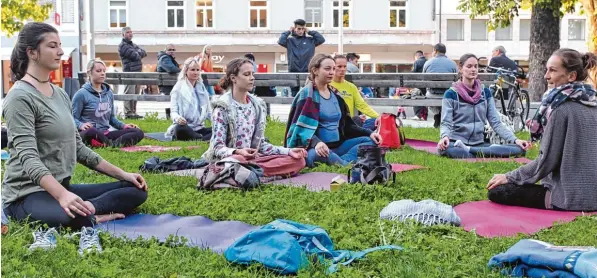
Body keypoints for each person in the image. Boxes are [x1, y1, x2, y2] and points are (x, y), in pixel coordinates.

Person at [2, 22, 148, 252]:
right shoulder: (19, 97)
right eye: (52, 46)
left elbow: (79, 149)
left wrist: (124, 174)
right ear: (32, 52)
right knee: (68, 213)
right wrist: (63, 197)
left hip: (62, 187)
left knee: (135, 189)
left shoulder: (59, 94)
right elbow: (29, 158)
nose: (60, 51)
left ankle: (86, 212)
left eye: (60, 46)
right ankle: (88, 216)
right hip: (26, 195)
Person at [487, 49, 597, 211]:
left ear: (571, 76)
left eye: (552, 70)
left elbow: (546, 162)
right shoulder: (593, 102)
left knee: (497, 191)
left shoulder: (559, 109)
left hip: (572, 198)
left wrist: (509, 177)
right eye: (547, 69)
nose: (546, 76)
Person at [202, 58, 306, 177]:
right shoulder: (222, 107)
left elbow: (261, 145)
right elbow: (217, 148)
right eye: (246, 74)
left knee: (298, 160)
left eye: (252, 74)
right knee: (238, 160)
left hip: (254, 160)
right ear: (233, 78)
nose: (252, 78)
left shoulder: (256, 106)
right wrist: (237, 151)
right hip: (231, 159)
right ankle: (248, 172)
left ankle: (249, 173)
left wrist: (288, 151)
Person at [285, 54, 383, 168]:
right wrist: (316, 143)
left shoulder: (336, 95)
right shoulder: (307, 95)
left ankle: (339, 161)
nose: (332, 72)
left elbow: (347, 125)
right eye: (327, 69)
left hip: (339, 146)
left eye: (333, 69)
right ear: (315, 70)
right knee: (312, 156)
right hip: (317, 149)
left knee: (369, 142)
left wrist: (370, 133)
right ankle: (346, 165)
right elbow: (299, 129)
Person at [437, 53, 530, 159]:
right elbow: (446, 123)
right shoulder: (450, 94)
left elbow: (496, 123)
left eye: (475, 66)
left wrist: (516, 140)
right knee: (446, 149)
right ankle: (477, 152)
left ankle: (470, 151)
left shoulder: (485, 93)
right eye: (469, 66)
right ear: (460, 68)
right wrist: (444, 137)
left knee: (520, 149)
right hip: (456, 142)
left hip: (479, 143)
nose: (473, 69)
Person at [73, 59, 145, 148]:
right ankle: (111, 144)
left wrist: (124, 126)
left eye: (104, 71)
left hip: (105, 134)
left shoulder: (109, 93)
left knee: (138, 132)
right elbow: (72, 118)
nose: (102, 73)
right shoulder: (81, 94)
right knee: (91, 131)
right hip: (89, 134)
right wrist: (81, 125)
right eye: (98, 71)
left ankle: (108, 144)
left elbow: (111, 118)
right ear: (89, 73)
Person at [165, 57, 212, 141]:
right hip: (185, 127)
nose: (196, 72)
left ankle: (199, 137)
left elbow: (208, 112)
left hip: (199, 128)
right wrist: (178, 118)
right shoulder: (178, 88)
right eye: (192, 70)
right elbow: (173, 112)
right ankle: (202, 138)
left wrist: (218, 123)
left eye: (198, 70)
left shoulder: (202, 88)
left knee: (222, 130)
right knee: (180, 129)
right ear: (186, 71)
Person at [330, 54, 379, 131]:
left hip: (350, 124)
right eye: (339, 66)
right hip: (334, 125)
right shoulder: (327, 85)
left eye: (344, 66)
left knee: (375, 122)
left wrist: (379, 117)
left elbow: (362, 105)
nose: (342, 69)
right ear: (333, 67)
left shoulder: (351, 87)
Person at [278, 19, 325, 97]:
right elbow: (281, 41)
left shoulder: (310, 40)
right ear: (294, 29)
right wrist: (289, 31)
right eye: (299, 28)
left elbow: (321, 39)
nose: (301, 31)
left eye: (303, 29)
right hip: (293, 72)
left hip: (308, 72)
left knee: (308, 95)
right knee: (294, 96)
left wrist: (310, 31)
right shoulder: (290, 41)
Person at [423, 43, 458, 128]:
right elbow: (457, 80)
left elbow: (423, 80)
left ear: (435, 51)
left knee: (428, 94)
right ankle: (442, 114)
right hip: (448, 94)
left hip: (432, 94)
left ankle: (437, 113)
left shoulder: (428, 63)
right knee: (451, 93)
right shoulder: (452, 63)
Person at [118, 27, 146, 119]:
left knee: (136, 94)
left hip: (137, 73)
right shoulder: (122, 46)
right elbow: (135, 56)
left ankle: (133, 112)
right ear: (123, 34)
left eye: (131, 32)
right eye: (127, 32)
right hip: (129, 73)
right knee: (129, 93)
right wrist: (137, 52)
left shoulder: (133, 45)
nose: (130, 34)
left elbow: (144, 52)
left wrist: (137, 52)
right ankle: (128, 113)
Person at [412, 50, 428, 121]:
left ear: (417, 56)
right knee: (425, 98)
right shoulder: (428, 62)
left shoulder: (417, 62)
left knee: (415, 96)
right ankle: (424, 116)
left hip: (419, 85)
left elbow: (413, 74)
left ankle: (417, 115)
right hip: (428, 86)